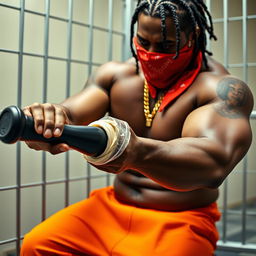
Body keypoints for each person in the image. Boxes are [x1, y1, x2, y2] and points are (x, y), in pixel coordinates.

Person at [20, 0, 253, 255]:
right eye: (143, 42)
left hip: (181, 217)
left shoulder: (219, 89)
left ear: (193, 36)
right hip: (111, 208)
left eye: (166, 46)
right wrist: (48, 119)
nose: (151, 53)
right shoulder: (116, 76)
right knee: (37, 244)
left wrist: (136, 151)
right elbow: (71, 115)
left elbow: (212, 162)